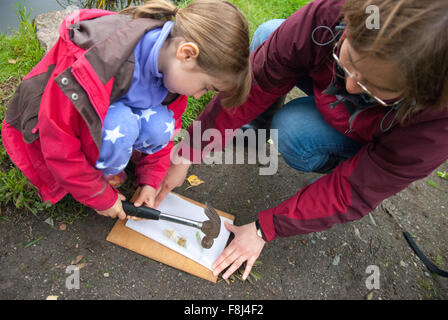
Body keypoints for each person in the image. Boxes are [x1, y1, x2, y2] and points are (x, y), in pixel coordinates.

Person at [154, 0, 448, 281]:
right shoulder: (332, 14)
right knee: (270, 33)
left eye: (373, 87)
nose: (348, 85)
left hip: (370, 133)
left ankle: (343, 157)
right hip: (337, 80)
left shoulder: (435, 121)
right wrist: (189, 150)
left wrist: (264, 228)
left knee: (292, 131)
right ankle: (258, 126)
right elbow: (259, 80)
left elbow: (355, 190)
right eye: (348, 61)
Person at [1, 0, 250, 220]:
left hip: (102, 122)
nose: (198, 96)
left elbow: (170, 127)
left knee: (159, 124)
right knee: (120, 122)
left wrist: (152, 180)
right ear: (186, 53)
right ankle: (101, 174)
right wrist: (99, 196)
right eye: (206, 87)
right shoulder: (95, 59)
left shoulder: (173, 74)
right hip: (44, 131)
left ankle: (111, 157)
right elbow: (58, 140)